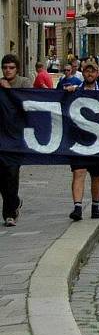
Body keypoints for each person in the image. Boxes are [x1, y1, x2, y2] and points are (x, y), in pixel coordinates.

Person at [63, 59, 99, 221]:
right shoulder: (75, 90)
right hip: (78, 140)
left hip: (98, 141)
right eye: (87, 71)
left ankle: (95, 206)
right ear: (83, 73)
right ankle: (77, 207)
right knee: (78, 172)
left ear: (97, 73)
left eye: (93, 71)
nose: (90, 73)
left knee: (96, 175)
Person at [0, 54, 30, 227]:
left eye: (11, 67)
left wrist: (9, 90)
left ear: (17, 69)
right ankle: (15, 201)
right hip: (2, 136)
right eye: (5, 67)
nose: (8, 70)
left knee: (12, 174)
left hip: (17, 137)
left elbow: (27, 104)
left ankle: (9, 214)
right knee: (2, 176)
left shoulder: (23, 83)